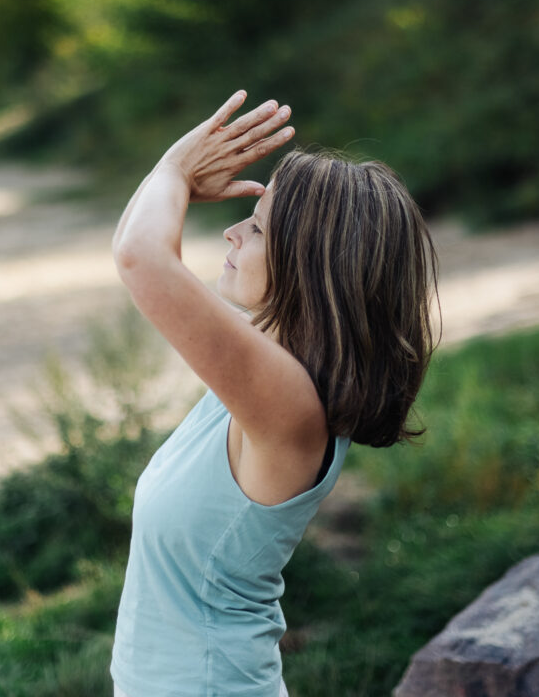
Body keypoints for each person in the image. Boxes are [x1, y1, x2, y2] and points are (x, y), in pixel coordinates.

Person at [109, 91, 438, 697]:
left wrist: (176, 170)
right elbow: (136, 248)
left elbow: (140, 258)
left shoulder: (286, 406)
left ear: (308, 266)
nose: (232, 233)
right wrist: (169, 176)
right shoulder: (269, 365)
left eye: (257, 228)